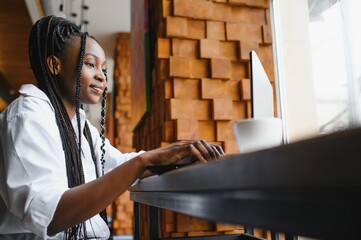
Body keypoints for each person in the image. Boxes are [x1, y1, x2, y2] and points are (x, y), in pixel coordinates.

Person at [0, 15, 224, 239]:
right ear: (54, 65)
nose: (101, 76)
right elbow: (50, 216)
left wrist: (178, 156)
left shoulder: (80, 127)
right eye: (90, 64)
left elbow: (119, 167)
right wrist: (144, 161)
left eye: (104, 69)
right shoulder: (28, 115)